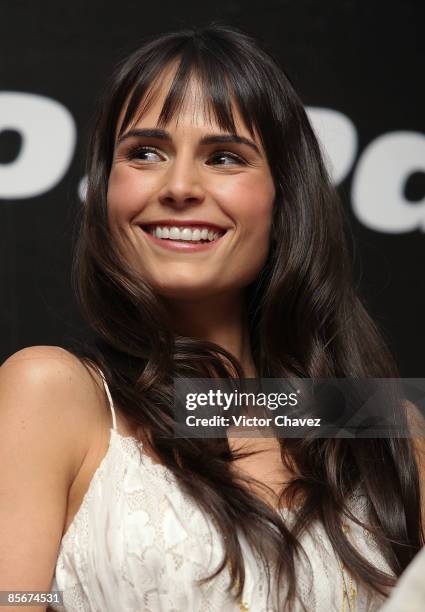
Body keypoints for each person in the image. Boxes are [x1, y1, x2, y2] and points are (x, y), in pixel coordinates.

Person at [0, 23, 424, 612]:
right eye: (144, 152)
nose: (179, 186)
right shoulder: (51, 393)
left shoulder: (382, 427)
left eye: (224, 157)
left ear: (285, 196)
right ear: (105, 189)